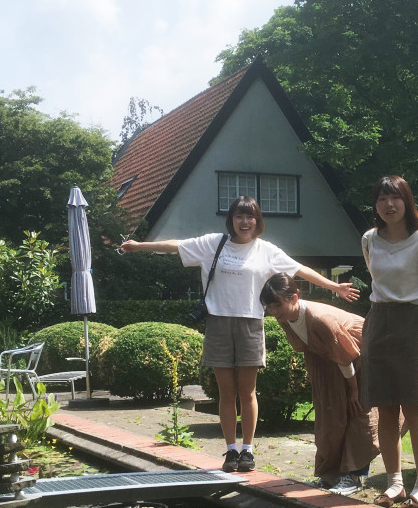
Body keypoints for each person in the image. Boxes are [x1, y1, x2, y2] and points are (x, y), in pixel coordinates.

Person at [120, 196, 358, 473]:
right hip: (218, 323)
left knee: (247, 391)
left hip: (251, 323)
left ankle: (248, 450)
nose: (244, 222)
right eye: (239, 216)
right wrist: (139, 246)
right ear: (231, 220)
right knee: (226, 392)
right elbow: (176, 245)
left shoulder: (266, 250)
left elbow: (299, 269)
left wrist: (334, 287)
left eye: (250, 217)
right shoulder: (214, 243)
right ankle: (231, 450)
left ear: (257, 221)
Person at [361, 175, 418, 508]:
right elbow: (375, 278)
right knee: (385, 409)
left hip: (414, 323)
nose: (389, 205)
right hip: (378, 322)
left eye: (395, 198)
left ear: (407, 201)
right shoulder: (369, 239)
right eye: (382, 198)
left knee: (414, 408)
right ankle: (394, 483)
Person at [261, 273, 380, 496]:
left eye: (278, 305)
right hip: (329, 361)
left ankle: (354, 477)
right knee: (329, 415)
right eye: (269, 307)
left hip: (361, 357)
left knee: (359, 414)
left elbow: (346, 358)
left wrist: (353, 390)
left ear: (294, 298)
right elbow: (307, 347)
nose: (274, 312)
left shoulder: (320, 319)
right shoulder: (285, 318)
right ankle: (330, 475)